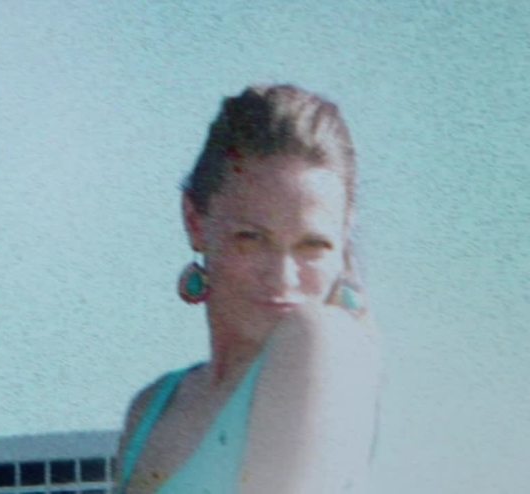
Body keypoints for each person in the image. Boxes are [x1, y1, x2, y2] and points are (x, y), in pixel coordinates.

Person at [115, 85, 382, 493]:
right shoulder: (153, 407)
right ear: (195, 222)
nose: (283, 277)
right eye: (251, 239)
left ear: (344, 239)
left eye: (312, 246)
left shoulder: (318, 342)